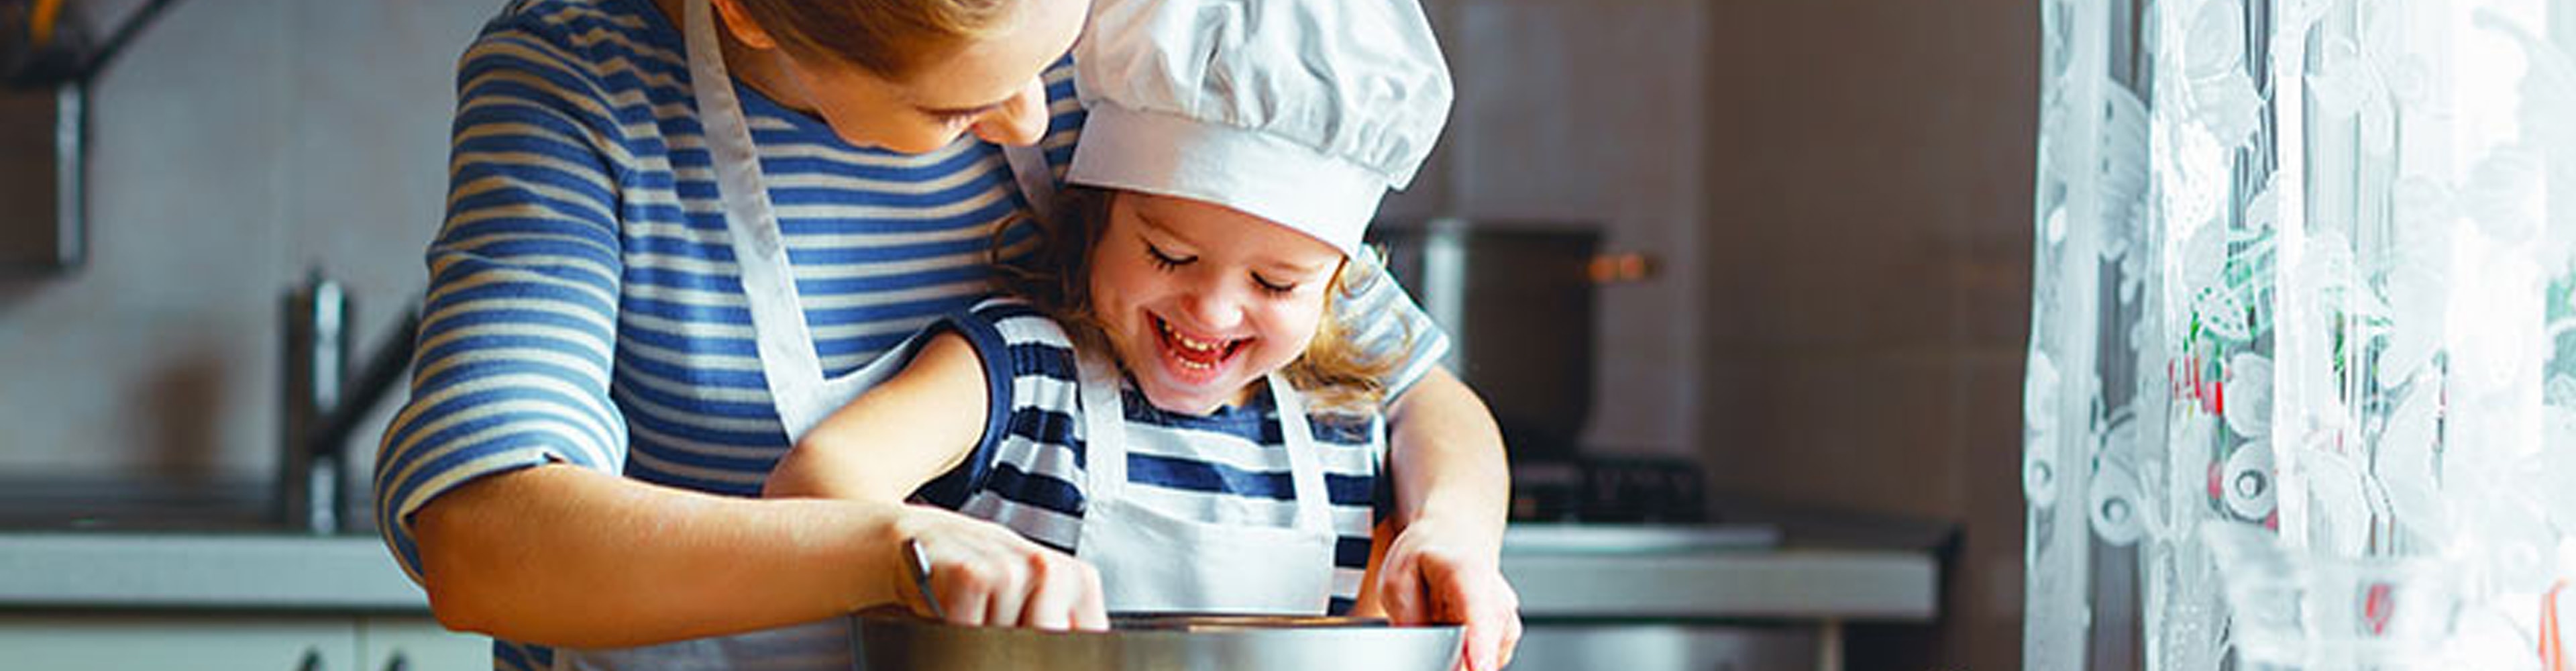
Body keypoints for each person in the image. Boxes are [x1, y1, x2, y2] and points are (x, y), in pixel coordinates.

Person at [371, 0, 1521, 669]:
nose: (1034, 118)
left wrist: (1453, 525)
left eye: (1051, 53)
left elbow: (1410, 385)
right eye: (957, 105)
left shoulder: (1121, 67)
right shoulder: (586, 83)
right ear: (753, 12)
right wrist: (890, 549)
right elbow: (487, 535)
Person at [763, 0, 1489, 637]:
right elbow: (817, 478)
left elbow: (1450, 418)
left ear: (1340, 288)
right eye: (1169, 255)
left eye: (1276, 281)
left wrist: (1448, 529)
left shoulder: (1338, 417)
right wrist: (929, 551)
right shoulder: (1024, 373)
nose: (1214, 307)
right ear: (1093, 223)